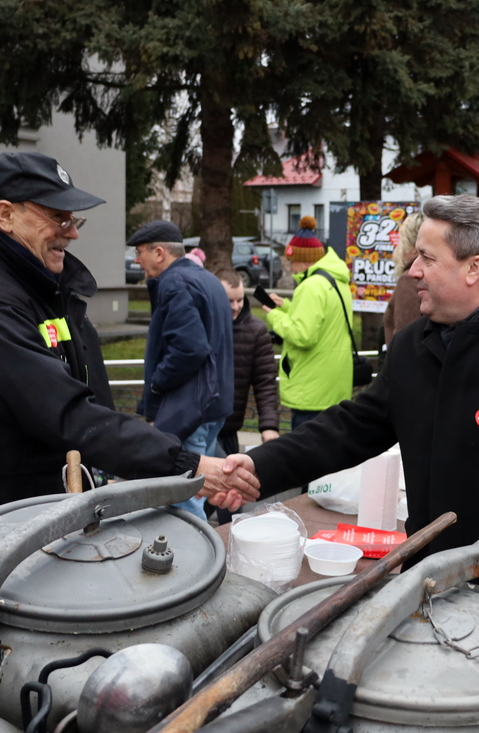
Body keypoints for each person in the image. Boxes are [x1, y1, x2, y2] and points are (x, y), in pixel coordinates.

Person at [221, 193, 479, 628]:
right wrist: (257, 466)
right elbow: (350, 429)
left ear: (474, 268)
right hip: (428, 591)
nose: (412, 270)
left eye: (426, 258)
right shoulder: (412, 344)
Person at [0, 153, 245, 582]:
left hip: (15, 523)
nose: (73, 233)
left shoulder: (40, 290)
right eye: (58, 218)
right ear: (6, 215)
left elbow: (87, 399)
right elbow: (67, 414)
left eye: (75, 220)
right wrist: (182, 466)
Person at [128, 218, 235, 520]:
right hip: (215, 405)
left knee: (182, 499)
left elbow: (190, 349)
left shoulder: (173, 283)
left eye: (140, 253)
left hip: (190, 410)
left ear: (159, 253)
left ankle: (196, 565)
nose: (137, 260)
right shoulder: (207, 278)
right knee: (205, 488)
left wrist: (157, 384)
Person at [262, 215, 356, 428]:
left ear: (304, 260)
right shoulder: (336, 280)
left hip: (311, 391)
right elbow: (323, 320)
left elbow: (303, 335)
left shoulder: (310, 287)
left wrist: (274, 315)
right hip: (333, 385)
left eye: (292, 262)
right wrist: (286, 307)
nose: (291, 268)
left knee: (305, 457)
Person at [218, 270, 280, 457]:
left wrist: (269, 426)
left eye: (240, 300)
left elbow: (265, 382)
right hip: (197, 428)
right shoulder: (200, 324)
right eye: (229, 301)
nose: (235, 307)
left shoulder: (256, 330)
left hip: (228, 430)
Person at [382, 212, 425, 346]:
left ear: (414, 247)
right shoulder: (436, 275)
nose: (398, 248)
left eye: (402, 241)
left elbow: (405, 341)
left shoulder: (410, 279)